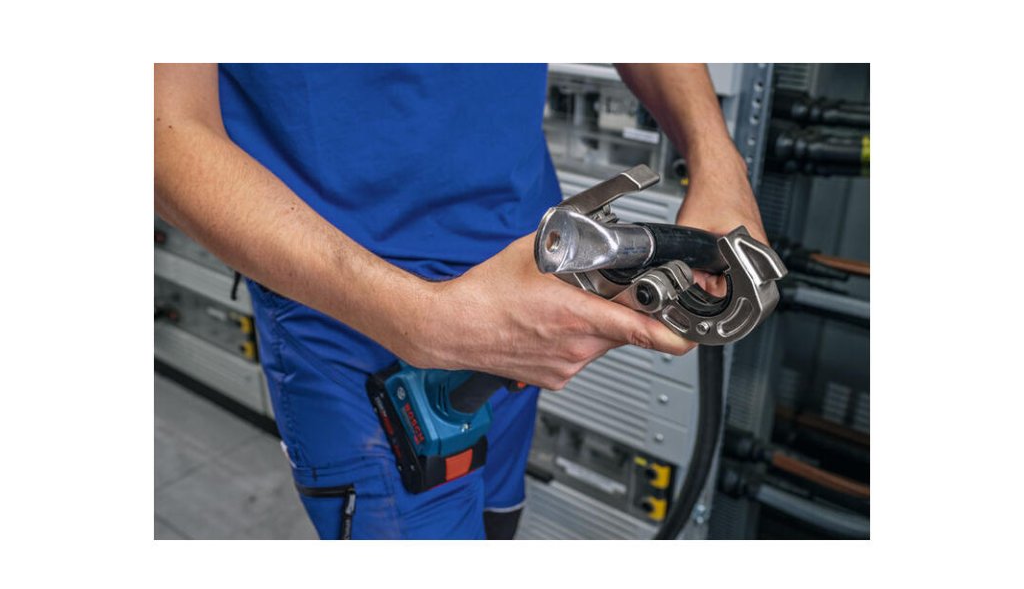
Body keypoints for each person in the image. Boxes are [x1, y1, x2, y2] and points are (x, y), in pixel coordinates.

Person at [154, 63, 767, 540]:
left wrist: (717, 158)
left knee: (497, 519)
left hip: (524, 274)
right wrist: (421, 319)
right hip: (353, 309)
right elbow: (161, 130)